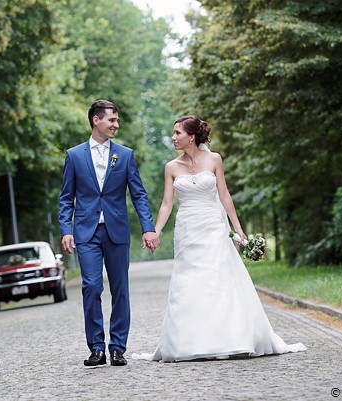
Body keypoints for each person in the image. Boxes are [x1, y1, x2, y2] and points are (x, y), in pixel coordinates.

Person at [132, 115, 306, 362]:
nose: (173, 137)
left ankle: (230, 338)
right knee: (189, 281)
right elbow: (167, 204)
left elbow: (224, 195)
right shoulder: (171, 167)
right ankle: (189, 342)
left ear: (191, 136)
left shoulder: (214, 160)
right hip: (187, 229)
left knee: (217, 278)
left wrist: (238, 229)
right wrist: (155, 231)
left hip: (213, 226)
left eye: (177, 133)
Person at [59, 99, 160, 367]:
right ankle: (96, 348)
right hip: (86, 232)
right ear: (96, 120)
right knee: (91, 286)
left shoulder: (125, 155)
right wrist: (66, 230)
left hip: (116, 231)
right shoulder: (74, 155)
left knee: (120, 289)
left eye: (116, 120)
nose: (116, 124)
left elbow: (138, 194)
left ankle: (117, 348)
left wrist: (148, 228)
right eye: (111, 120)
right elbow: (66, 198)